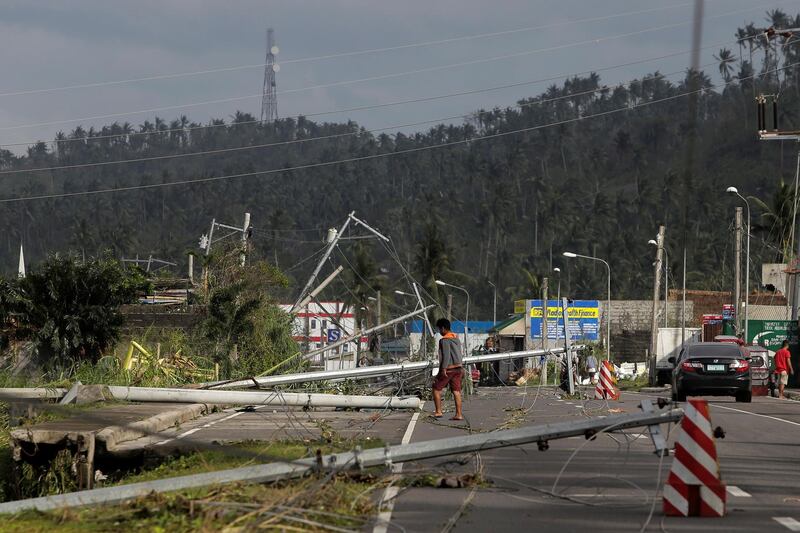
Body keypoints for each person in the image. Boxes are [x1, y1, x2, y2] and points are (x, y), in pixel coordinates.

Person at [432, 318, 464, 420]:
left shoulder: (444, 340)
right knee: (456, 391)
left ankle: (438, 411)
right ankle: (459, 414)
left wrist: (443, 369)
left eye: (439, 329)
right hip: (458, 368)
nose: (440, 332)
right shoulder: (456, 338)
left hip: (449, 369)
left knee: (436, 388)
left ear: (443, 328)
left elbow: (445, 355)